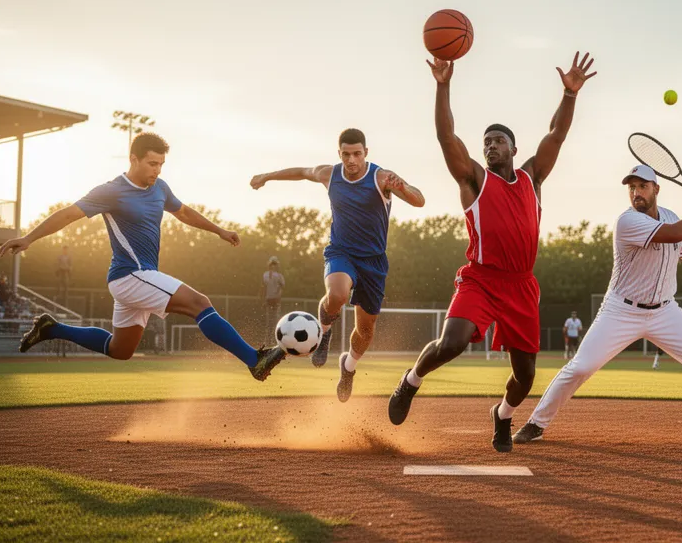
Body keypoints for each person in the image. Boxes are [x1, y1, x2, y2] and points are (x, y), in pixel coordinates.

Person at [388, 51, 597, 453]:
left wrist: (569, 96)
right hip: (481, 278)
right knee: (452, 342)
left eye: (498, 141)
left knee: (525, 376)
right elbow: (446, 137)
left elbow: (556, 135)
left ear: (514, 149)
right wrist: (443, 85)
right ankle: (410, 381)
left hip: (521, 286)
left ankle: (501, 415)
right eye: (486, 143)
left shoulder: (532, 177)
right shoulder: (473, 179)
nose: (490, 146)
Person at [512, 164, 682, 446]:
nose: (636, 192)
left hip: (665, 311)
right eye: (631, 187)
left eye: (642, 186)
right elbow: (672, 233)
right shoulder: (628, 222)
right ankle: (536, 423)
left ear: (656, 189)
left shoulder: (671, 216)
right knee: (580, 367)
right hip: (621, 310)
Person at [0, 132, 285, 380]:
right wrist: (29, 238)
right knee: (200, 304)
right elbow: (68, 214)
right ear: (133, 159)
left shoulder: (160, 187)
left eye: (160, 164)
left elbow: (183, 212)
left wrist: (219, 230)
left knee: (120, 350)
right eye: (151, 163)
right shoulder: (111, 191)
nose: (157, 170)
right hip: (129, 275)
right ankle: (253, 359)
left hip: (137, 279)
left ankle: (52, 328)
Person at [251, 128, 424, 402]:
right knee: (338, 294)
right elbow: (301, 171)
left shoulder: (380, 178)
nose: (352, 160)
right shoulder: (329, 174)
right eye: (346, 154)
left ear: (366, 152)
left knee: (366, 330)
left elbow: (419, 200)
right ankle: (324, 332)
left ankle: (348, 367)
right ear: (339, 153)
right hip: (340, 252)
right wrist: (267, 176)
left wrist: (402, 186)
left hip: (374, 262)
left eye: (357, 154)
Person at [261, 256, 286, 343]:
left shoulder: (279, 276)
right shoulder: (266, 275)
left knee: (276, 321)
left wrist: (278, 297)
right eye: (272, 264)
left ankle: (276, 340)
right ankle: (268, 341)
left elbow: (281, 288)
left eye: (275, 264)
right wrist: (264, 300)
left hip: (276, 300)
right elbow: (264, 287)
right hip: (268, 300)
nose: (273, 266)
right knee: (269, 322)